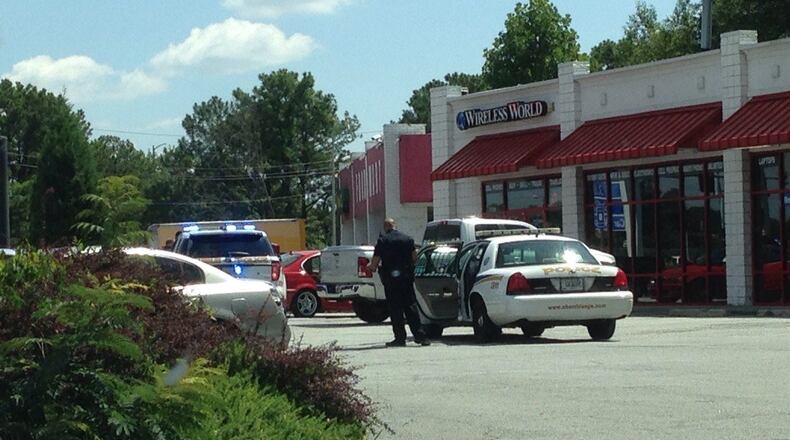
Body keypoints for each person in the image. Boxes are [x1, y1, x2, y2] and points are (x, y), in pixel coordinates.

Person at [368, 218, 430, 347]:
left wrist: (371, 267)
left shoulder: (382, 241)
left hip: (391, 281)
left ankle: (400, 338)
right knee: (411, 307)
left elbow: (374, 263)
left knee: (395, 309)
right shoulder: (408, 239)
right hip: (406, 279)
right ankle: (420, 337)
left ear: (385, 227)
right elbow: (414, 258)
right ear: (395, 226)